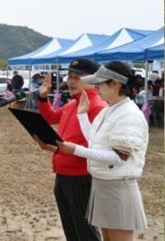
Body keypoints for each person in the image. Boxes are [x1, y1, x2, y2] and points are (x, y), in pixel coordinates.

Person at [55, 62, 149, 240]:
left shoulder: (128, 114)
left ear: (115, 84)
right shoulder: (111, 110)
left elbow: (118, 158)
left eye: (100, 83)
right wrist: (83, 115)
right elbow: (95, 141)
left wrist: (76, 150)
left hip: (118, 187)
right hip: (104, 184)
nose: (96, 87)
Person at [33, 58, 106, 241]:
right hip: (63, 173)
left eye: (77, 77)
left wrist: (59, 150)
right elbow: (51, 117)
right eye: (69, 76)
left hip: (81, 176)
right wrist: (43, 98)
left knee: (85, 231)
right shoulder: (73, 103)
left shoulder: (98, 107)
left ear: (93, 81)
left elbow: (98, 149)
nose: (70, 81)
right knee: (71, 230)